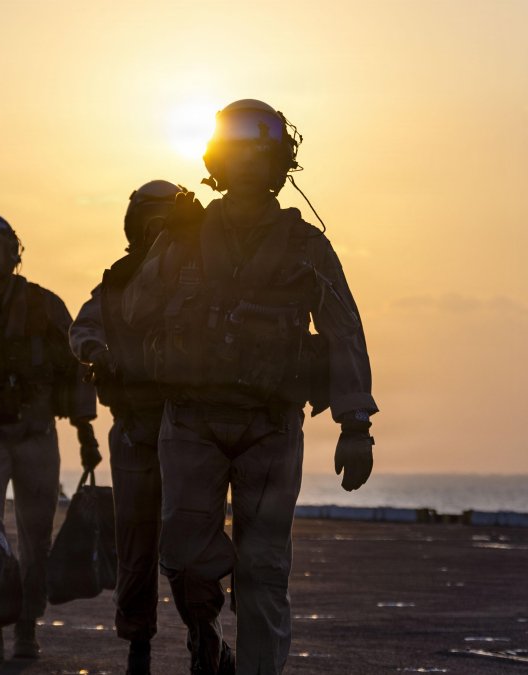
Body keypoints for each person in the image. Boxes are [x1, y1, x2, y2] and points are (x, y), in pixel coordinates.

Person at [120, 99, 377, 674]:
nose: (247, 165)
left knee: (264, 571)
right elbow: (135, 311)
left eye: (260, 154)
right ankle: (206, 639)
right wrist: (165, 244)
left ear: (280, 162)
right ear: (218, 161)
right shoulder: (184, 236)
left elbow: (344, 333)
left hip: (271, 426)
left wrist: (356, 425)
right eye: (236, 154)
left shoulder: (307, 246)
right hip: (191, 421)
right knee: (185, 561)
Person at [0, 213, 99, 660]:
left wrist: (86, 432)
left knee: (37, 539)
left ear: (14, 251)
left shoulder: (45, 305)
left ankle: (25, 629)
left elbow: (76, 371)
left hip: (37, 434)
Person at [69, 179, 183, 675]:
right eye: (148, 219)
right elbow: (84, 328)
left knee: (193, 548)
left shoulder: (199, 277)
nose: (156, 228)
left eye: (165, 219)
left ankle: (206, 638)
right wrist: (96, 351)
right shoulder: (116, 281)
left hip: (189, 431)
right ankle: (138, 645)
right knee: (136, 549)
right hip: (137, 430)